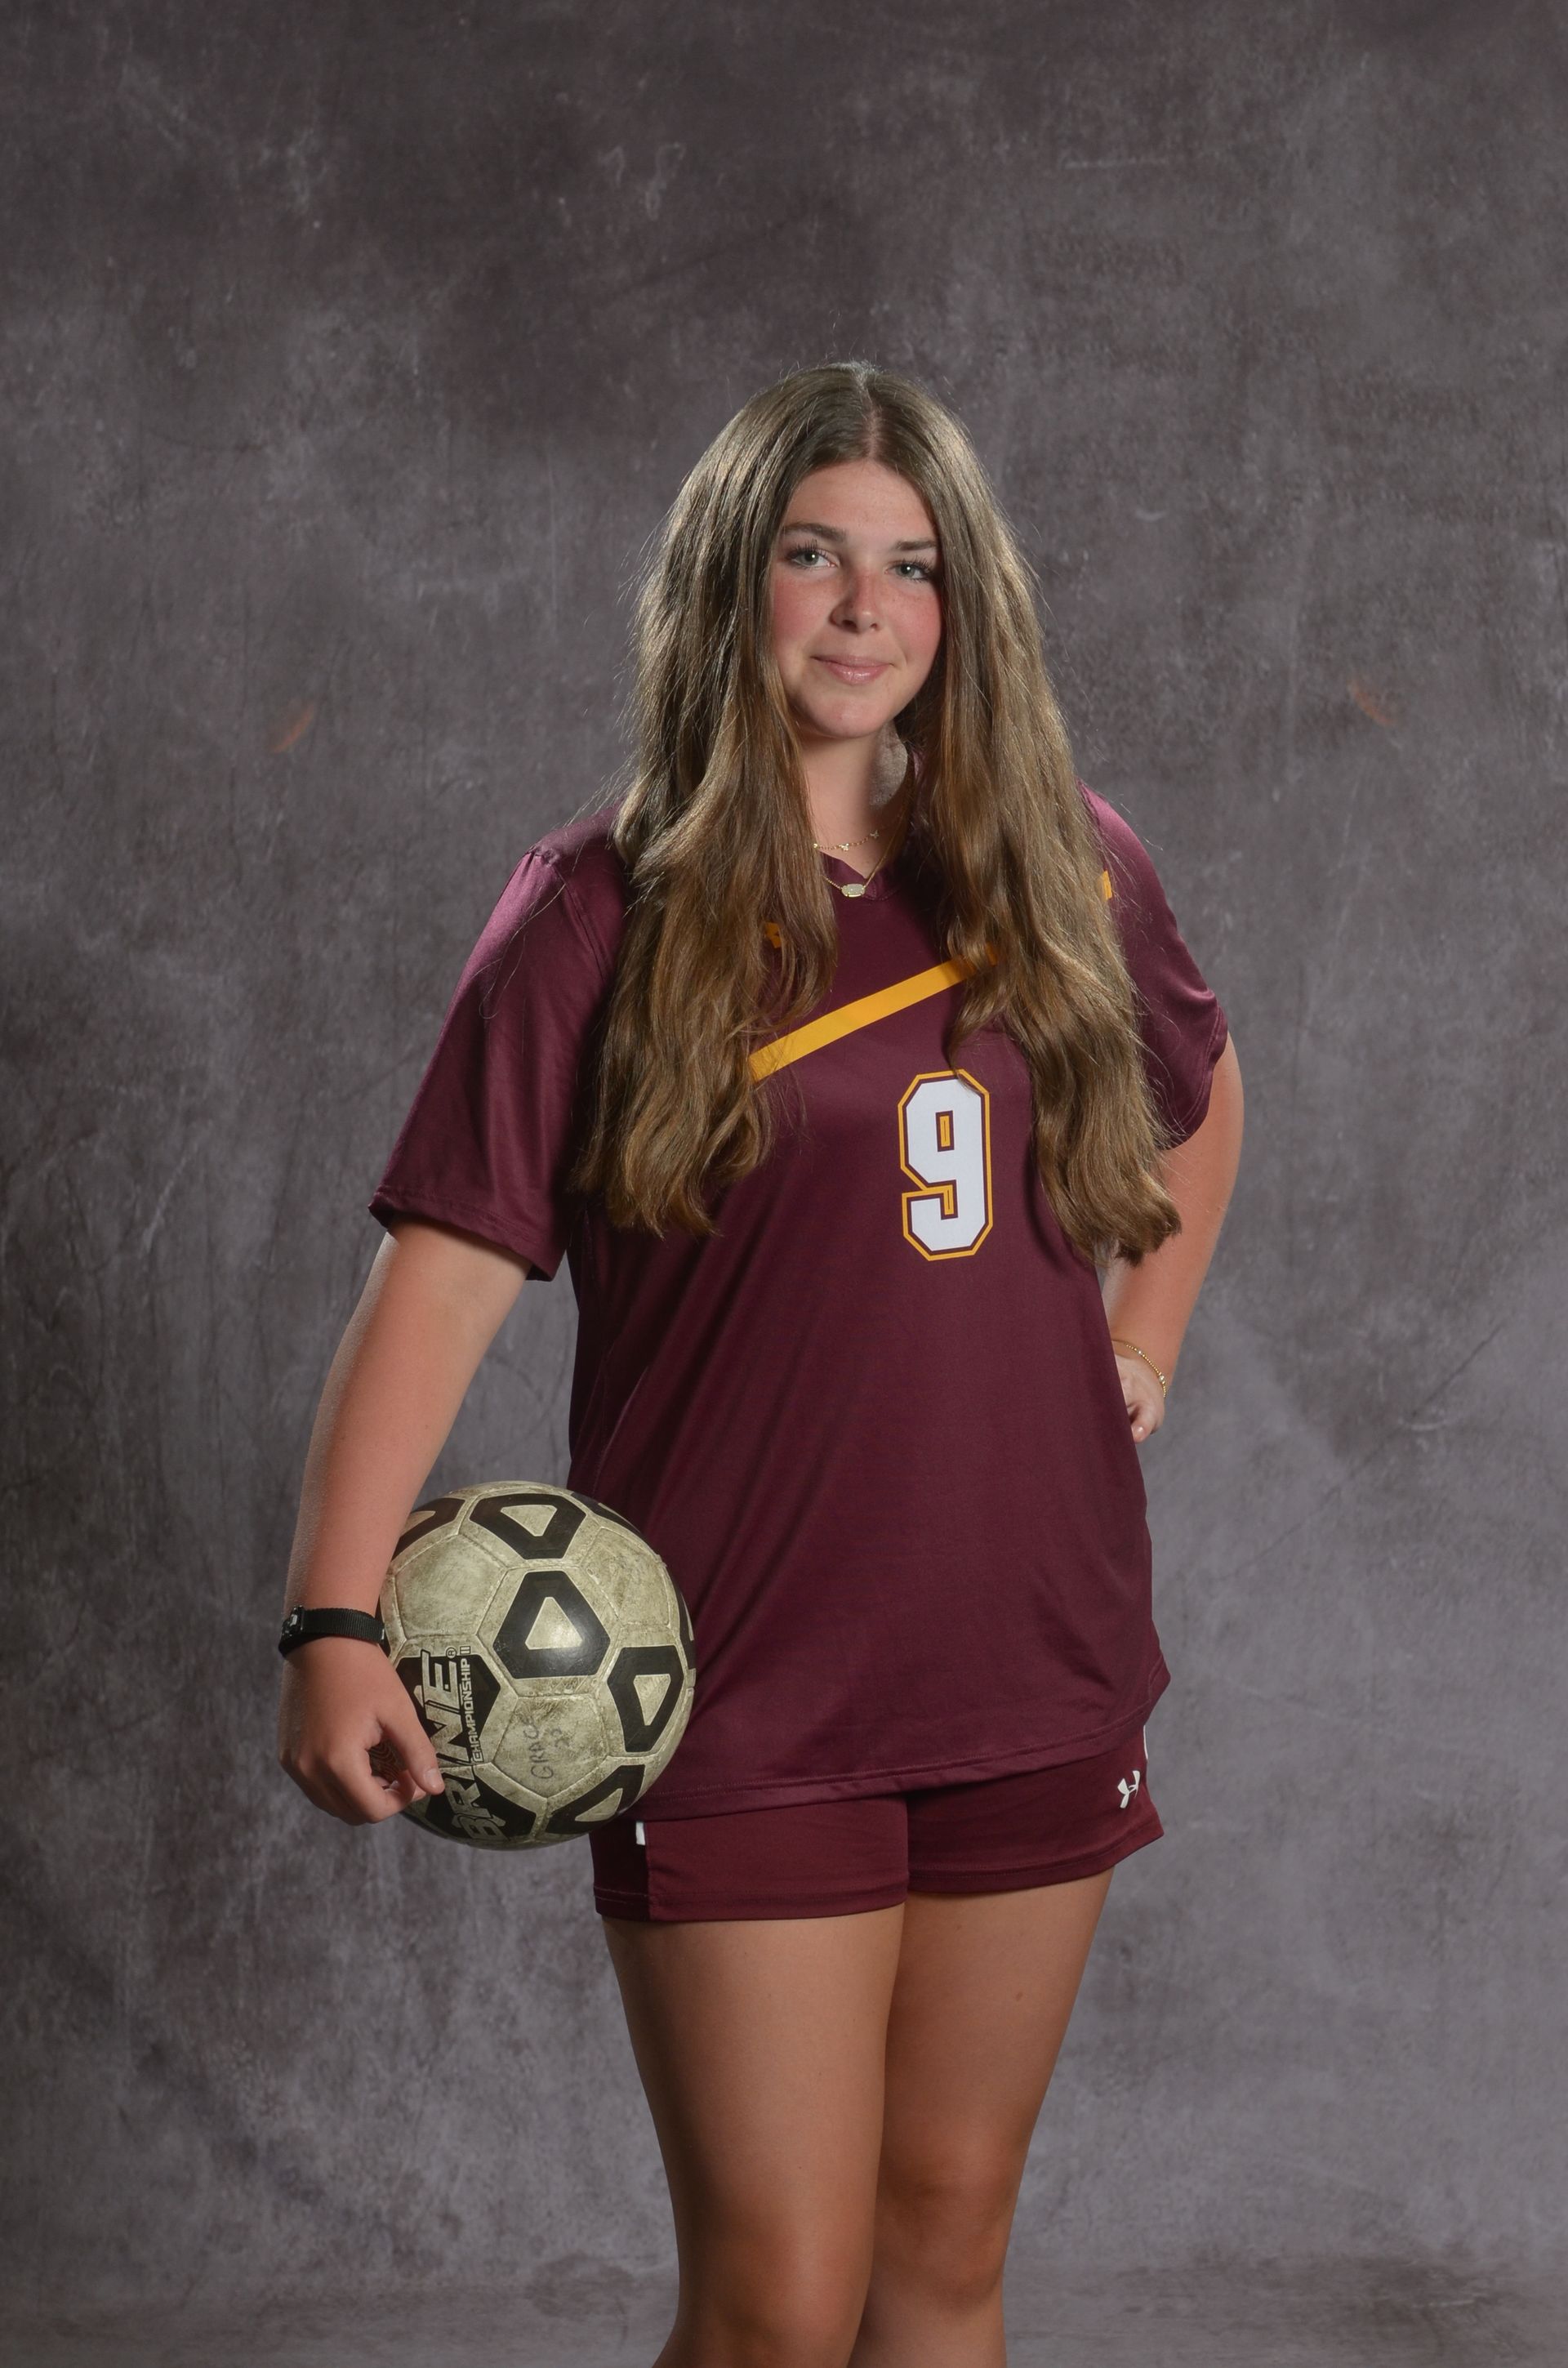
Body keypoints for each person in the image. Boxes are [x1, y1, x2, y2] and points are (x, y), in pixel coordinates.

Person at [277, 360, 1244, 2368]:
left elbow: (1204, 1096)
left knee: (947, 2254)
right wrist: (332, 1616)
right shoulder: (600, 909)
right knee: (779, 2304)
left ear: (964, 609)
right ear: (733, 583)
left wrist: (1145, 1336)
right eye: (815, 557)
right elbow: (445, 1283)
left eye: (911, 569)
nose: (863, 609)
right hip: (732, 1682)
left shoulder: (1069, 865)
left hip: (1032, 1655)